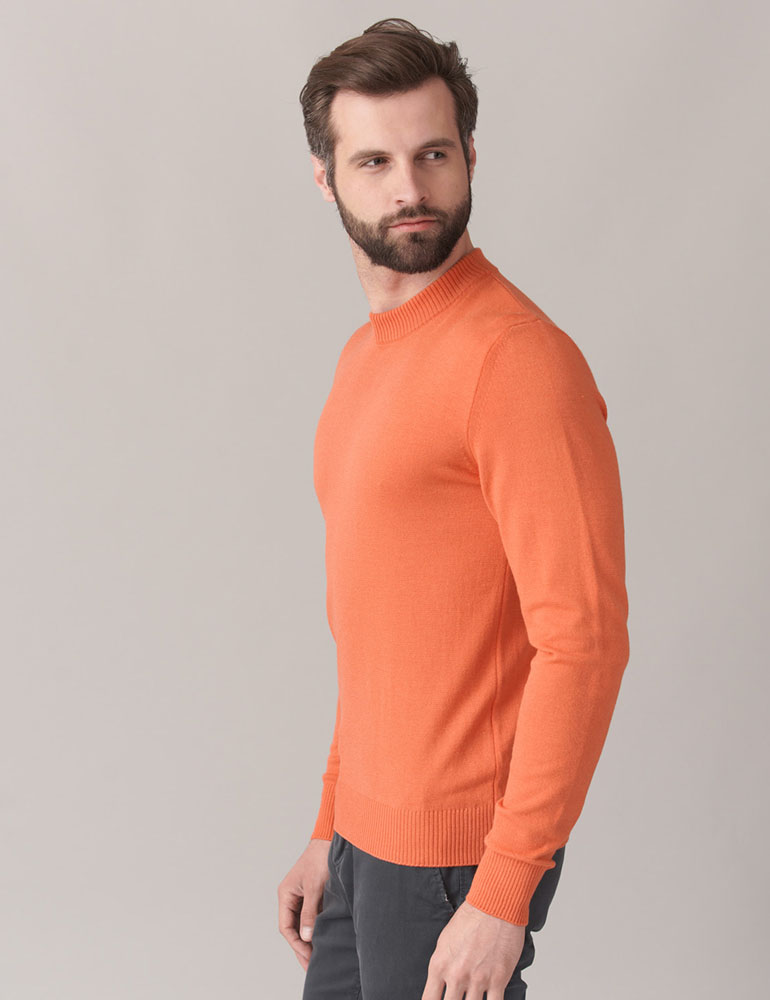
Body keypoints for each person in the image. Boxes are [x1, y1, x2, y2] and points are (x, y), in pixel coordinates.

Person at [277, 18, 630, 999]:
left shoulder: (515, 361)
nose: (410, 188)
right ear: (325, 178)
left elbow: (584, 639)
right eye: (374, 161)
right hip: (365, 845)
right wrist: (330, 827)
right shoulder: (364, 360)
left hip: (454, 864)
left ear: (470, 153)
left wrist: (504, 890)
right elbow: (378, 631)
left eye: (433, 154)